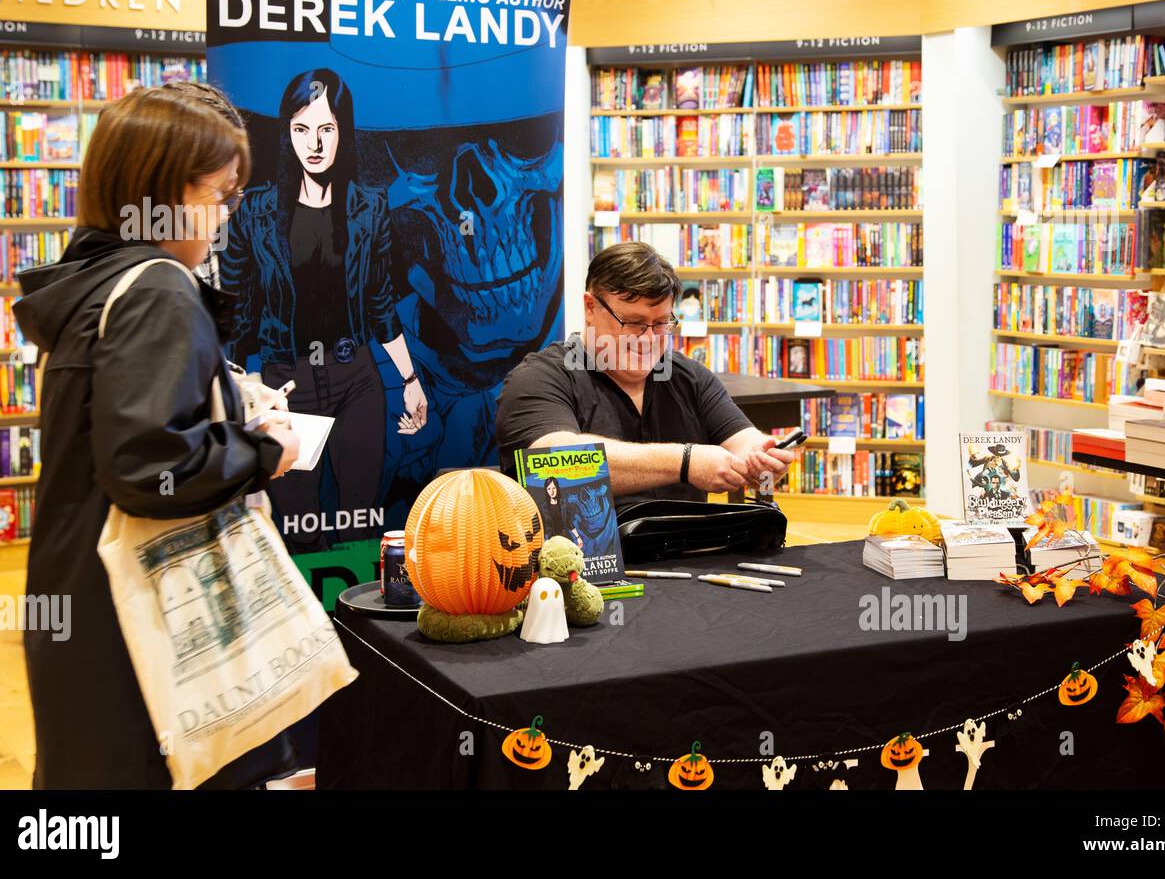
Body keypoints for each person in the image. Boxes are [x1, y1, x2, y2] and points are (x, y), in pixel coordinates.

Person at [12, 85, 302, 789]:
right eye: (219, 196)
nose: (226, 219)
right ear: (163, 191)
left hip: (80, 595)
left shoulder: (92, 279)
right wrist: (268, 450)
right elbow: (148, 464)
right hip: (144, 617)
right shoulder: (159, 287)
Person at [220, 67, 427, 552]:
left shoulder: (369, 208)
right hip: (285, 385)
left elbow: (380, 303)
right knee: (297, 531)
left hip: (356, 378)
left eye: (327, 129)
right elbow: (234, 310)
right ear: (287, 133)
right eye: (302, 129)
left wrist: (410, 381)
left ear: (343, 132)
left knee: (362, 523)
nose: (314, 143)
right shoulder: (256, 212)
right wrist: (234, 395)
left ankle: (362, 626)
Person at [495, 242, 796, 507]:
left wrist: (762, 458)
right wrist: (685, 462)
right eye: (635, 322)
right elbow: (552, 461)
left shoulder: (690, 377)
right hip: (581, 569)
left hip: (688, 558)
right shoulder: (540, 378)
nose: (649, 338)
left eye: (661, 323)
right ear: (590, 307)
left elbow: (744, 441)